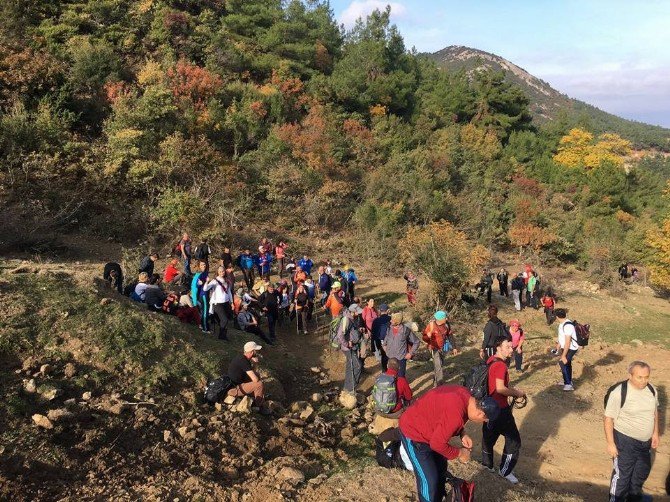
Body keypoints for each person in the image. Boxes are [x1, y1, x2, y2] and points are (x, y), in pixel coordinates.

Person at [399, 385, 500, 502]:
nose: (481, 422)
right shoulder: (455, 415)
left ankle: (438, 497)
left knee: (441, 468)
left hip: (430, 430)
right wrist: (460, 453)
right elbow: (437, 444)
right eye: (484, 421)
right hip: (413, 433)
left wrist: (463, 433)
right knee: (429, 480)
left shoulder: (466, 395)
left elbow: (446, 416)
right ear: (480, 414)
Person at [605, 361, 660, 502]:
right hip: (624, 440)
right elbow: (608, 419)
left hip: (645, 443)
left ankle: (634, 498)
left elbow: (654, 412)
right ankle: (616, 499)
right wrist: (611, 443)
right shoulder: (619, 392)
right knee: (622, 475)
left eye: (646, 377)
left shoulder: (652, 389)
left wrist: (655, 433)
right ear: (630, 376)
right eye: (639, 377)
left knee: (640, 473)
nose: (644, 381)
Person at [482, 336, 526, 484]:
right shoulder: (500, 366)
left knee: (489, 437)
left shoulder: (490, 361)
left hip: (487, 407)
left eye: (511, 346)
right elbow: (500, 389)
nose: (511, 349)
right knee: (514, 441)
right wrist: (517, 393)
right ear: (498, 348)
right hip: (500, 409)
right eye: (507, 346)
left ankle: (487, 465)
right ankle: (505, 470)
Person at [227, 341, 270, 415]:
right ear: (252, 352)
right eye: (256, 350)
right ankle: (259, 407)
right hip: (234, 389)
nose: (257, 352)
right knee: (259, 384)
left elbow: (253, 374)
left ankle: (257, 396)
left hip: (238, 383)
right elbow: (255, 380)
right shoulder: (243, 361)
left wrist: (255, 364)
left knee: (257, 375)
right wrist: (255, 364)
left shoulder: (243, 358)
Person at [422, 310, 458, 388]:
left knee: (440, 365)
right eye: (445, 317)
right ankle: (439, 385)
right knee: (438, 366)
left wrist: (454, 347)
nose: (447, 319)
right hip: (434, 348)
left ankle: (436, 380)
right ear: (440, 319)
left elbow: (450, 336)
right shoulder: (431, 326)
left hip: (444, 347)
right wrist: (427, 336)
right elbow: (424, 338)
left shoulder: (446, 325)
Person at [338, 303, 365, 396]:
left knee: (350, 367)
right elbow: (340, 335)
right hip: (347, 348)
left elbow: (351, 331)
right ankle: (351, 389)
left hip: (352, 347)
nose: (359, 313)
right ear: (353, 312)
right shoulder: (346, 320)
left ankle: (347, 388)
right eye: (358, 312)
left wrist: (358, 330)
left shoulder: (351, 318)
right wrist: (347, 343)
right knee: (358, 366)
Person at [382, 312, 419, 378]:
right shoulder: (389, 328)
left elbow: (416, 342)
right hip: (390, 357)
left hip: (401, 358)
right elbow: (386, 340)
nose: (390, 321)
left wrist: (410, 353)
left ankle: (401, 387)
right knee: (390, 377)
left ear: (397, 321)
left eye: (392, 320)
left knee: (400, 377)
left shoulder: (406, 330)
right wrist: (384, 347)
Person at [553, 308, 579, 391]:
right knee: (567, 363)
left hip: (571, 348)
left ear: (557, 317)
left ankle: (568, 384)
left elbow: (568, 342)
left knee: (562, 362)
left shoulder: (568, 326)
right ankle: (567, 381)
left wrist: (563, 355)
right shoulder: (562, 324)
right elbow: (562, 338)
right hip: (566, 347)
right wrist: (557, 347)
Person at [203, 266, 232, 341]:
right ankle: (221, 336)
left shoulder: (227, 280)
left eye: (223, 271)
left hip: (226, 302)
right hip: (217, 303)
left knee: (225, 320)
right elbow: (205, 289)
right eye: (220, 271)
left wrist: (231, 302)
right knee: (224, 320)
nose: (222, 273)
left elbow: (229, 292)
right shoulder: (215, 281)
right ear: (217, 272)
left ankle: (224, 336)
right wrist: (207, 281)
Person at [191, 261, 210, 333]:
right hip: (203, 295)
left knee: (204, 311)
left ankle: (202, 325)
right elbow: (195, 287)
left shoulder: (205, 273)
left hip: (206, 294)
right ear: (199, 266)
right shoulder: (199, 275)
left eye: (204, 264)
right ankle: (205, 329)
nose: (204, 266)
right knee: (205, 311)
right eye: (202, 265)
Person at [371, 304, 391, 372]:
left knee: (383, 356)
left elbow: (373, 334)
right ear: (388, 310)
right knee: (392, 357)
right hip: (390, 342)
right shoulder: (391, 319)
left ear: (380, 311)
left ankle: (384, 371)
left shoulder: (375, 321)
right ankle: (392, 373)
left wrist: (373, 346)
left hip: (379, 342)